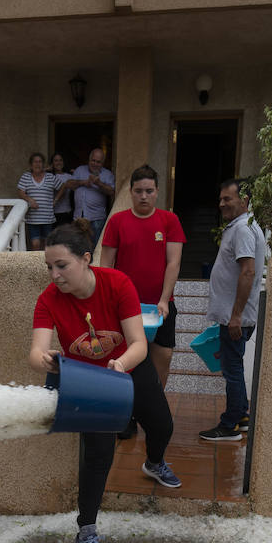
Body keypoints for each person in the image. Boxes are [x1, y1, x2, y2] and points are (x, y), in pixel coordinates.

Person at [30, 220, 181, 543]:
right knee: (98, 455)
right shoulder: (48, 299)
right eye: (49, 267)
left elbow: (140, 343)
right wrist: (48, 362)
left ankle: (154, 461)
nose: (54, 274)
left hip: (129, 367)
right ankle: (86, 531)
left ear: (85, 259)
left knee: (162, 425)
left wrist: (120, 364)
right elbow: (35, 353)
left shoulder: (117, 283)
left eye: (62, 265)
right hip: (88, 381)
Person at [100, 163, 186, 393]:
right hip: (125, 306)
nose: (144, 196)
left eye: (149, 191)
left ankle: (154, 410)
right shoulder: (118, 222)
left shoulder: (169, 220)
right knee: (125, 360)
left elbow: (173, 263)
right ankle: (126, 415)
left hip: (161, 306)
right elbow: (106, 265)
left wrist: (164, 299)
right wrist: (109, 300)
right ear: (131, 192)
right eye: (139, 191)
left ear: (157, 192)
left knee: (163, 356)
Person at [199, 179, 266, 443]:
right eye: (221, 199)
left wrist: (236, 315)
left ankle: (229, 426)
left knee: (232, 370)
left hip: (235, 317)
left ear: (245, 200)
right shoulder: (242, 227)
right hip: (233, 315)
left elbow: (248, 271)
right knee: (233, 366)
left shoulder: (243, 230)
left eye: (228, 199)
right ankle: (243, 415)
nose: (222, 204)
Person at [63, 148, 115, 244]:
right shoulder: (80, 170)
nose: (95, 164)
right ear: (89, 160)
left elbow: (111, 192)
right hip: (79, 218)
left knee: (95, 249)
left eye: (98, 162)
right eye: (93, 160)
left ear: (102, 163)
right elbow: (68, 184)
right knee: (78, 247)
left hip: (97, 219)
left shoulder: (107, 174)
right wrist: (83, 182)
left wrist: (99, 183)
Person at [16, 152, 59, 251]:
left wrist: (56, 199)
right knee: (35, 244)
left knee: (47, 244)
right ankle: (36, 264)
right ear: (31, 165)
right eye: (35, 162)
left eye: (40, 162)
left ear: (43, 164)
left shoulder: (50, 177)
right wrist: (29, 199)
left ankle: (45, 265)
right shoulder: (26, 176)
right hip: (33, 219)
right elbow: (20, 192)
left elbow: (63, 186)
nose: (37, 164)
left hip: (47, 218)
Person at [50, 152, 73, 225]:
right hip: (52, 213)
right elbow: (33, 173)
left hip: (66, 212)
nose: (58, 162)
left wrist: (77, 172)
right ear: (52, 163)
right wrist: (46, 168)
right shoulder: (48, 176)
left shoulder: (69, 176)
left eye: (60, 160)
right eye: (56, 160)